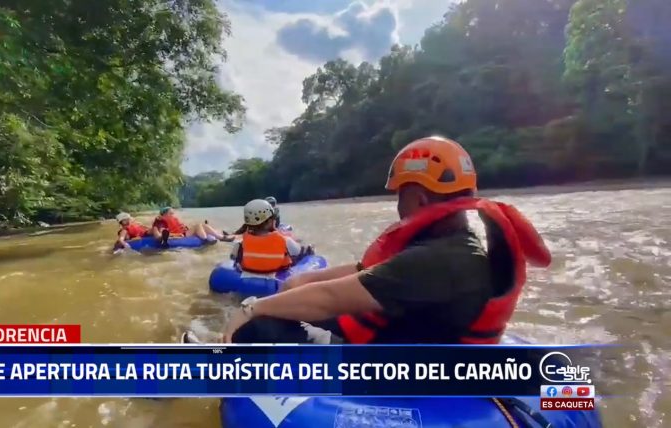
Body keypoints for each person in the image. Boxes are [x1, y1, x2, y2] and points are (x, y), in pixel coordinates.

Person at [196, 136, 551, 344]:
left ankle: (214, 364)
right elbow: (365, 272)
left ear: (419, 198)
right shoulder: (455, 241)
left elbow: (330, 300)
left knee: (263, 326)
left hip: (408, 370)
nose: (397, 204)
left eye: (399, 194)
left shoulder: (441, 259)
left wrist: (252, 308)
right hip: (412, 339)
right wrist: (301, 280)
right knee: (289, 306)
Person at [229, 199, 312, 275]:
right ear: (269, 222)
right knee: (304, 253)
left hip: (247, 279)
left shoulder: (241, 243)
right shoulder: (285, 240)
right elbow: (299, 252)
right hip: (277, 279)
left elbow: (233, 258)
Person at [150, 207, 230, 246]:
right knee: (198, 225)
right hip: (181, 235)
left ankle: (221, 236)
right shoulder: (159, 223)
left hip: (183, 233)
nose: (173, 215)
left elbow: (182, 227)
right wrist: (172, 235)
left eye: (173, 213)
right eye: (170, 213)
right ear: (164, 214)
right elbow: (159, 234)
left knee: (203, 225)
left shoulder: (172, 219)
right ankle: (207, 240)